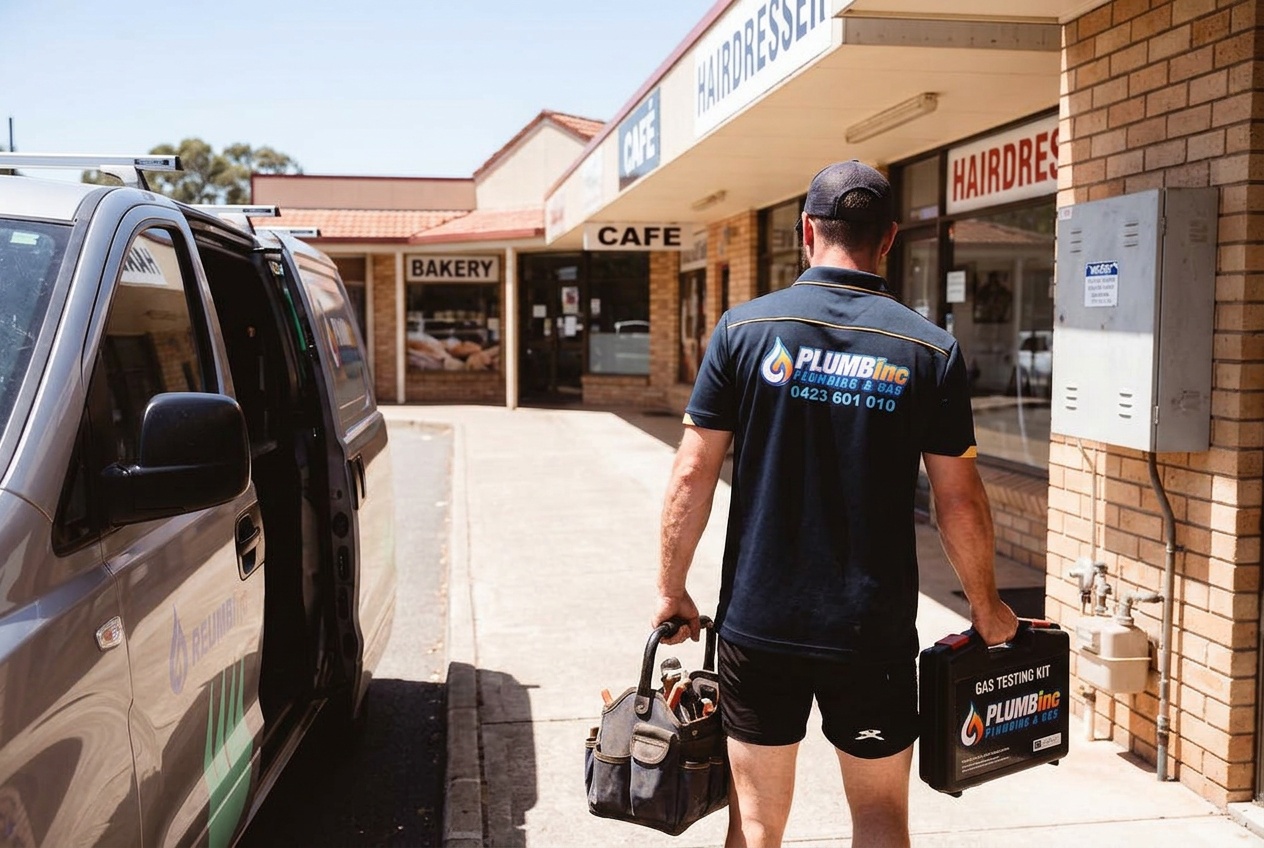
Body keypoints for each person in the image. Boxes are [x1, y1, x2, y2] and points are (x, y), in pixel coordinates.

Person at [653, 160, 1019, 848]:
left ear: (805, 232)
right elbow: (959, 502)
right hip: (869, 632)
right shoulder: (929, 350)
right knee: (880, 818)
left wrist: (672, 591)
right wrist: (986, 607)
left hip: (759, 624)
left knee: (755, 823)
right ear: (888, 240)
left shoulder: (742, 331)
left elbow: (690, 475)